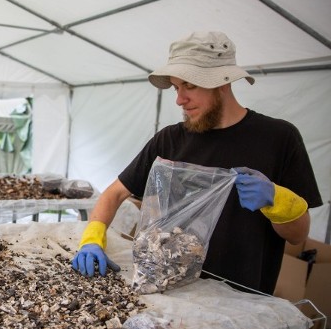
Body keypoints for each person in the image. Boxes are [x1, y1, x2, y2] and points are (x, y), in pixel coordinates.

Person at [71, 31, 322, 295]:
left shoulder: (279, 138)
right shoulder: (169, 140)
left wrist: (276, 201)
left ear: (222, 82)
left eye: (189, 86)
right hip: (171, 291)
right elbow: (114, 193)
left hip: (241, 303)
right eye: (177, 87)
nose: (180, 99)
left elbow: (298, 235)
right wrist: (91, 240)